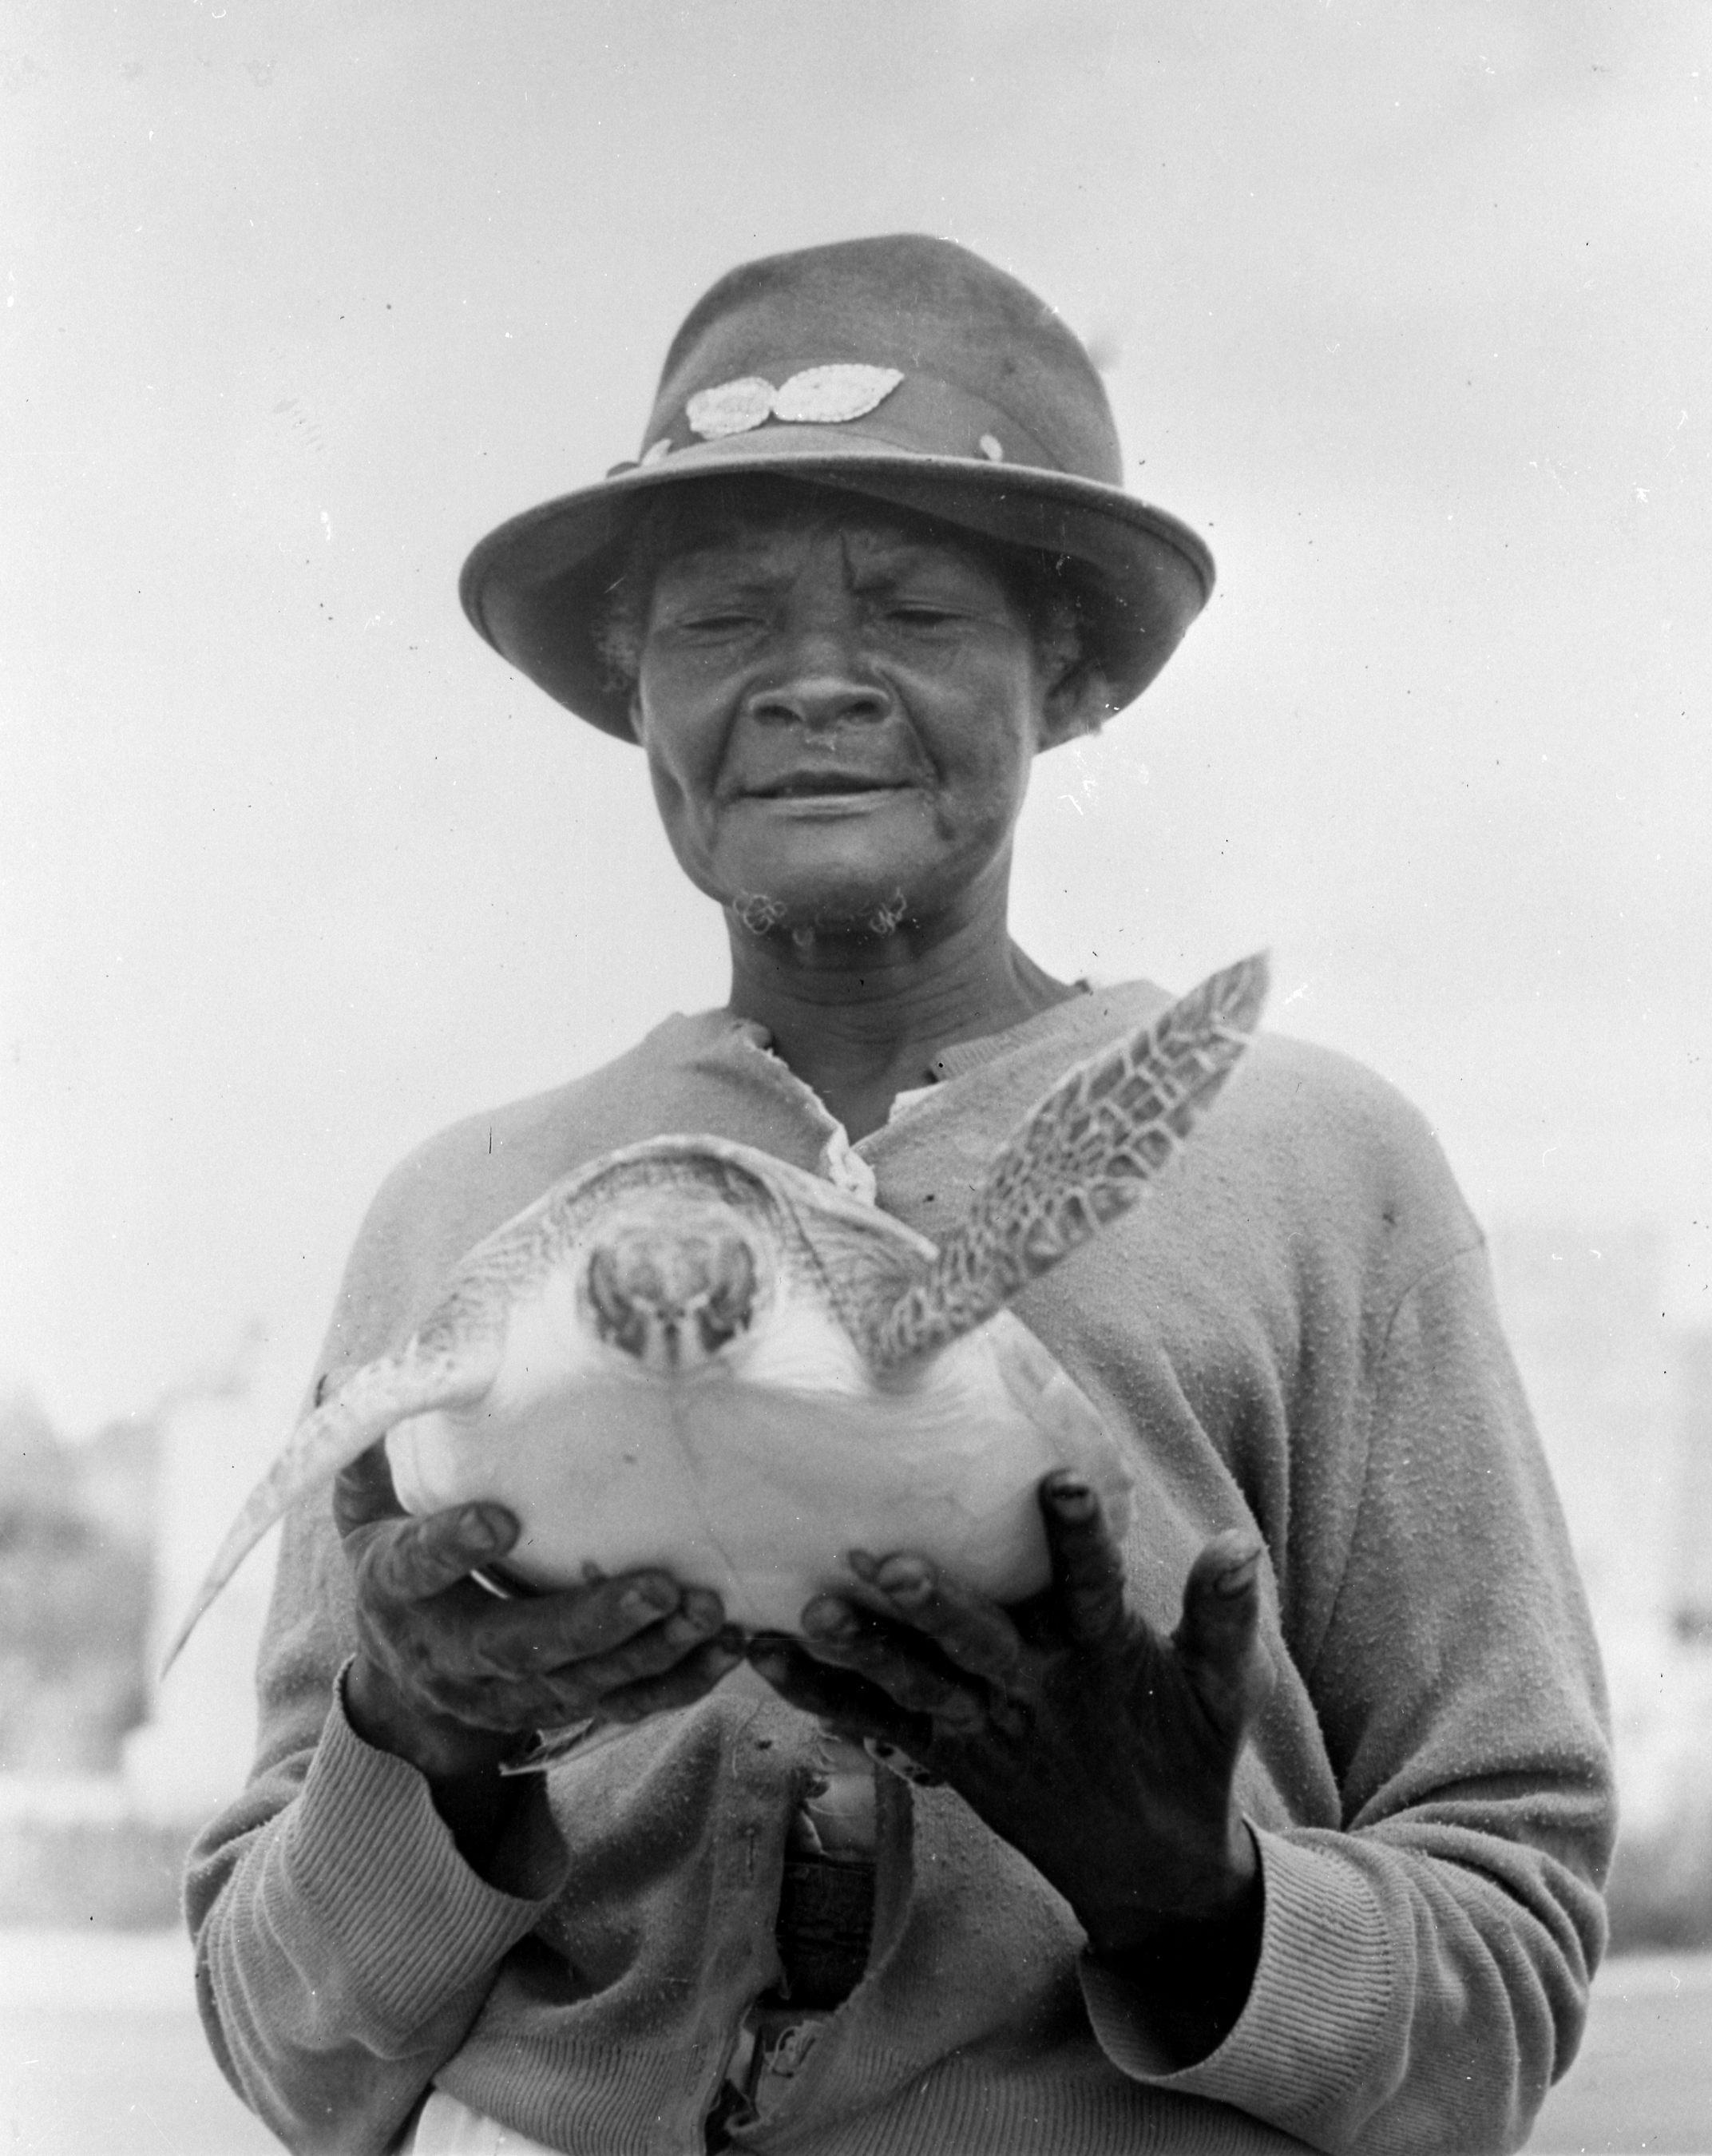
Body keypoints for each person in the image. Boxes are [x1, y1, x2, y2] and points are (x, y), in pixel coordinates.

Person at [187, 235, 1614, 2156]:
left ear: (1066, 669)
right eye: (719, 623)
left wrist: (1185, 1893)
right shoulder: (461, 1211)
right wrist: (419, 1742)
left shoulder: (1304, 1164)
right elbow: (288, 2058)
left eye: (914, 610)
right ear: (632, 692)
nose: (811, 686)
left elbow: (1509, 1961)